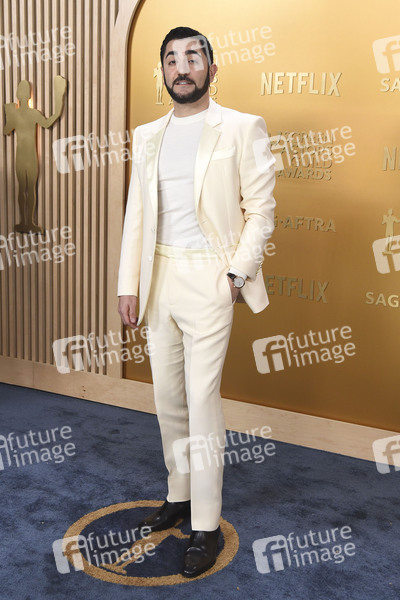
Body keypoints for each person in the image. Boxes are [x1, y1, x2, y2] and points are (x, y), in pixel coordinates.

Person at [118, 26, 276, 578]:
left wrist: (234, 275)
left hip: (210, 278)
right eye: (171, 59)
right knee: (168, 399)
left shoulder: (241, 127)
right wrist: (128, 284)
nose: (181, 68)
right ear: (162, 72)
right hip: (158, 278)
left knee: (202, 399)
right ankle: (179, 494)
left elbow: (261, 211)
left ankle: (205, 525)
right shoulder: (147, 134)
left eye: (192, 57)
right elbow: (137, 213)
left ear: (211, 67)